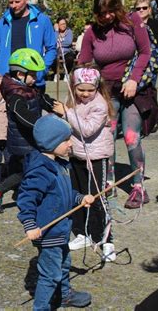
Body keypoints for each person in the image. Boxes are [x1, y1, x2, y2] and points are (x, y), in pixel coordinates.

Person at [78, 0, 151, 208]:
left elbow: (145, 52)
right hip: (107, 92)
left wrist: (134, 79)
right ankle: (108, 182)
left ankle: (138, 186)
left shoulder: (132, 22)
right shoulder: (92, 32)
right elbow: (84, 62)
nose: (107, 16)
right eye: (102, 13)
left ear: (117, 8)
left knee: (131, 137)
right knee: (107, 137)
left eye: (111, 11)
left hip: (132, 89)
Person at [17, 114, 95, 310]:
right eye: (66, 140)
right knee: (50, 275)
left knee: (64, 265)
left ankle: (64, 295)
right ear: (52, 142)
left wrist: (80, 198)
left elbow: (65, 192)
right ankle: (41, 307)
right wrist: (30, 225)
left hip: (61, 231)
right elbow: (26, 199)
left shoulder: (60, 164)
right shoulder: (40, 170)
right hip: (48, 233)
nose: (71, 144)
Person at [53, 65, 116, 261]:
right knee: (78, 196)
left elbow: (87, 129)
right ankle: (84, 233)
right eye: (81, 89)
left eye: (90, 89)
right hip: (76, 155)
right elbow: (67, 123)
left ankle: (107, 240)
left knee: (97, 198)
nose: (85, 94)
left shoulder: (100, 105)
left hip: (95, 157)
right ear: (73, 87)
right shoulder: (71, 101)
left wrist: (66, 113)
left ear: (98, 87)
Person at [0, 48, 55, 213]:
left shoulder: (28, 89)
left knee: (23, 172)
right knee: (26, 172)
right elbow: (23, 116)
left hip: (29, 140)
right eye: (33, 74)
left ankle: (23, 194)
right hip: (22, 142)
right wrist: (43, 125)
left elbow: (41, 100)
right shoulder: (16, 95)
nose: (37, 78)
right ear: (20, 74)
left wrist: (55, 106)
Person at [0, 0, 56, 93]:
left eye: (17, 2)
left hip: (34, 83)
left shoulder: (42, 20)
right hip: (9, 82)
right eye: (11, 2)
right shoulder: (2, 22)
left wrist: (41, 71)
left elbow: (52, 49)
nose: (13, 6)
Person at [51, 17, 75, 82]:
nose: (63, 25)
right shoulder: (54, 32)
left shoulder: (69, 32)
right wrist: (56, 31)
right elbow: (54, 42)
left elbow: (68, 42)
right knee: (52, 58)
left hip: (67, 52)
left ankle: (66, 74)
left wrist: (60, 43)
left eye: (64, 24)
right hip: (57, 52)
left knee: (70, 58)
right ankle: (56, 73)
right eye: (61, 24)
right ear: (57, 25)